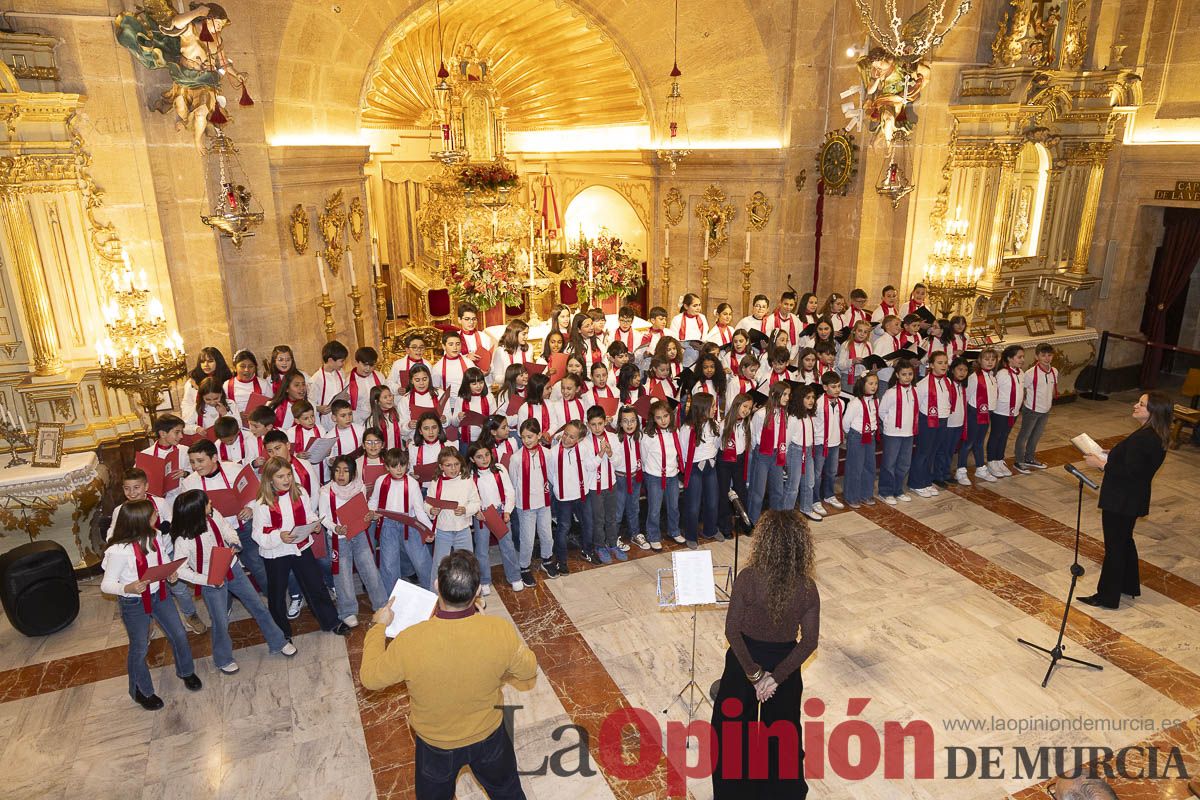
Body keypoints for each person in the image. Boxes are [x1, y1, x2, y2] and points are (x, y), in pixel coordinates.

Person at [360, 550, 537, 800]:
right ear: (477, 592)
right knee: (507, 793)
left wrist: (378, 626)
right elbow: (529, 669)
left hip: (435, 747)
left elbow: (370, 677)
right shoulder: (498, 630)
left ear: (436, 586)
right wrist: (488, 626)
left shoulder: (411, 640)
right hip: (489, 737)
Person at [711, 510, 819, 799]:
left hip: (744, 660)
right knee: (783, 737)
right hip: (785, 664)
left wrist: (756, 676)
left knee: (731, 735)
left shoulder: (748, 579)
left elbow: (732, 632)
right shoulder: (808, 588)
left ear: (764, 543)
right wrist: (774, 679)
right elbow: (809, 642)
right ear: (801, 546)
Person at [101, 499, 202, 710]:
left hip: (159, 594)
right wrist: (127, 588)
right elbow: (107, 585)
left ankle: (186, 671)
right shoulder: (118, 551)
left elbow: (162, 561)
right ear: (141, 521)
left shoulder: (155, 536)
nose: (158, 515)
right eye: (153, 514)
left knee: (179, 634)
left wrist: (170, 573)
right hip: (134, 602)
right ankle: (141, 690)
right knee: (139, 648)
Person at [1079, 392, 1171, 610]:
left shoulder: (1144, 438)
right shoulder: (1154, 434)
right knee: (1125, 540)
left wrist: (1101, 464)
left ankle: (1106, 597)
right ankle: (1128, 585)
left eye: (1142, 404)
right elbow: (1137, 463)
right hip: (1131, 498)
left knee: (1115, 547)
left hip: (1121, 499)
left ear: (1154, 412)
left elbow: (1131, 473)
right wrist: (1115, 454)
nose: (1135, 405)